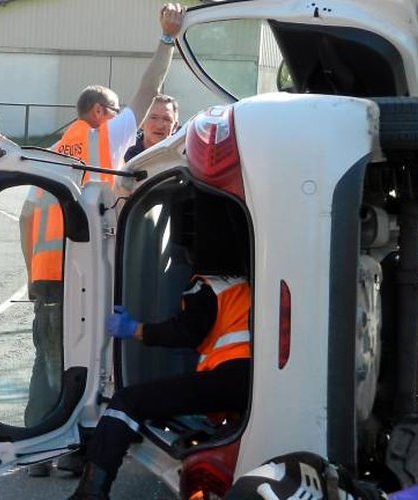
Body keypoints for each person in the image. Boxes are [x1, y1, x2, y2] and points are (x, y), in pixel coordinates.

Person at [21, 3, 186, 478]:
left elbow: (28, 215)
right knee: (89, 362)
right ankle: (75, 446)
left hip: (48, 276)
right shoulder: (105, 136)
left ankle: (37, 450)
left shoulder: (51, 154)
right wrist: (167, 39)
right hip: (87, 273)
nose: (127, 118)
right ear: (100, 112)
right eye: (116, 112)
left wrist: (34, 271)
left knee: (47, 359)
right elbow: (148, 89)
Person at [69, 275, 252, 499]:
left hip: (229, 376)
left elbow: (186, 331)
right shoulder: (247, 286)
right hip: (255, 381)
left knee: (126, 402)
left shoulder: (206, 285)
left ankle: (90, 493)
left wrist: (136, 329)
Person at [123, 94, 180, 162]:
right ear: (142, 122)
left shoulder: (184, 154)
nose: (159, 126)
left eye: (166, 119)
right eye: (153, 118)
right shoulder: (124, 151)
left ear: (175, 126)